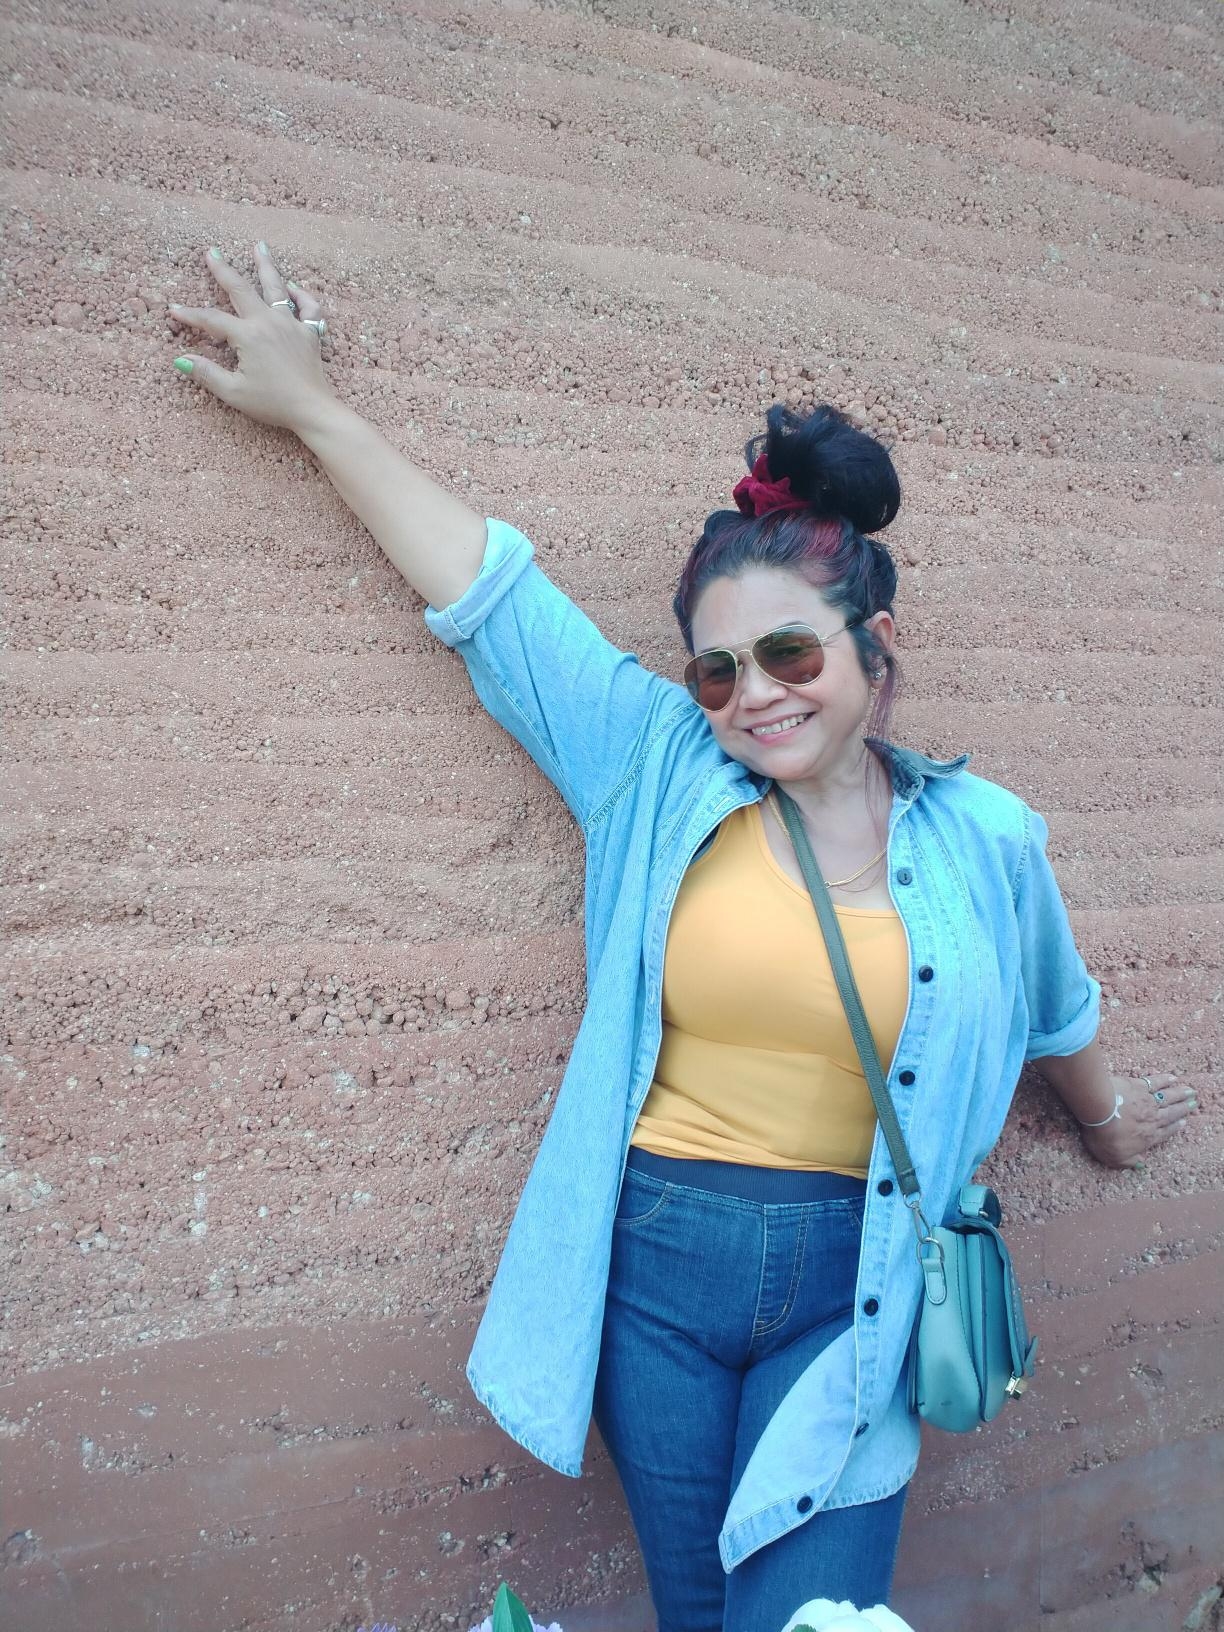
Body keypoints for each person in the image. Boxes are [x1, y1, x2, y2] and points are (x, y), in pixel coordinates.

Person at [168, 245, 1198, 1632]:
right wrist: (315, 410)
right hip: (656, 1263)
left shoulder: (987, 839)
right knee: (701, 1612)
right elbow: (493, 600)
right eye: (718, 669)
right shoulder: (656, 764)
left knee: (810, 1617)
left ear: (873, 642)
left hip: (857, 1277)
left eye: (791, 654)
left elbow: (1054, 1009)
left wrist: (1110, 1120)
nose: (753, 696)